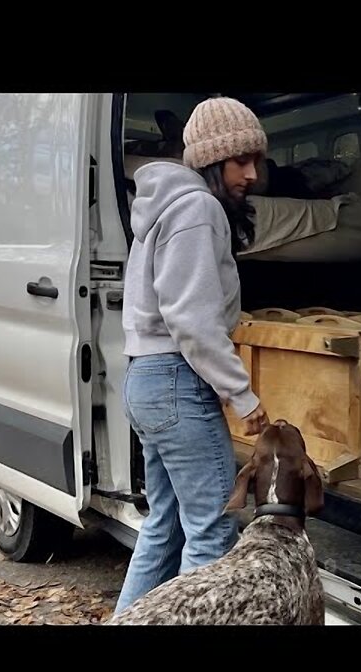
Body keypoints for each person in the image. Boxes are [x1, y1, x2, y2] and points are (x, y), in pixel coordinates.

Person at [115, 97, 270, 613]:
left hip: (146, 379)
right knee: (211, 532)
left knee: (163, 525)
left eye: (255, 160)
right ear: (210, 160)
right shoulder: (199, 209)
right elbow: (193, 321)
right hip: (177, 382)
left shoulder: (165, 206)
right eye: (239, 161)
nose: (251, 173)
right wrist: (242, 395)